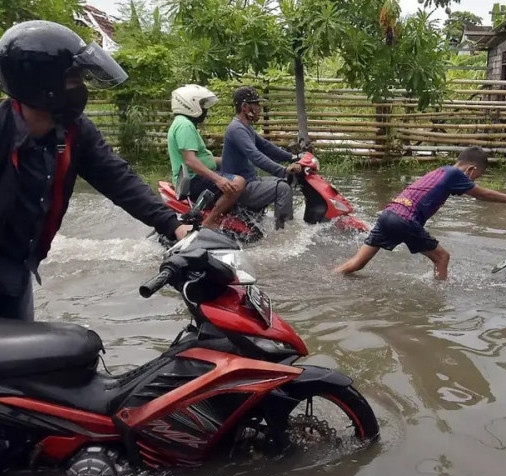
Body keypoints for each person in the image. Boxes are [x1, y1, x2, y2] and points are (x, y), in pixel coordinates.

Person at [0, 20, 191, 321]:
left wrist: (176, 226)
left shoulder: (75, 131)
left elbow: (117, 178)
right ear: (42, 85)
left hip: (18, 272)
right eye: (74, 79)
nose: (82, 87)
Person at [334, 147, 506, 280]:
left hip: (389, 214)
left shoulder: (442, 171)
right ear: (471, 169)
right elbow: (482, 194)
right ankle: (437, 299)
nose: (473, 181)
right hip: (405, 219)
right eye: (476, 177)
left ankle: (332, 277)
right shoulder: (456, 175)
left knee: (357, 263)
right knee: (442, 258)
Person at [221, 86, 302, 230]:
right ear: (245, 107)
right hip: (243, 187)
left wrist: (294, 157)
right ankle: (285, 234)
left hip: (250, 181)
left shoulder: (245, 127)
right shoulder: (237, 129)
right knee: (282, 188)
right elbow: (255, 155)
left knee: (282, 182)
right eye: (256, 105)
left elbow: (266, 146)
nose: (259, 108)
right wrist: (283, 171)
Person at [168, 84, 245, 229]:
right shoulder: (185, 126)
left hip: (193, 177)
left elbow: (203, 158)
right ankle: (210, 222)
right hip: (192, 180)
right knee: (238, 182)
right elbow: (191, 161)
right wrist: (218, 179)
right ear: (189, 104)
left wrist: (232, 161)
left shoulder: (184, 123)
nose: (205, 110)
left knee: (237, 172)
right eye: (202, 104)